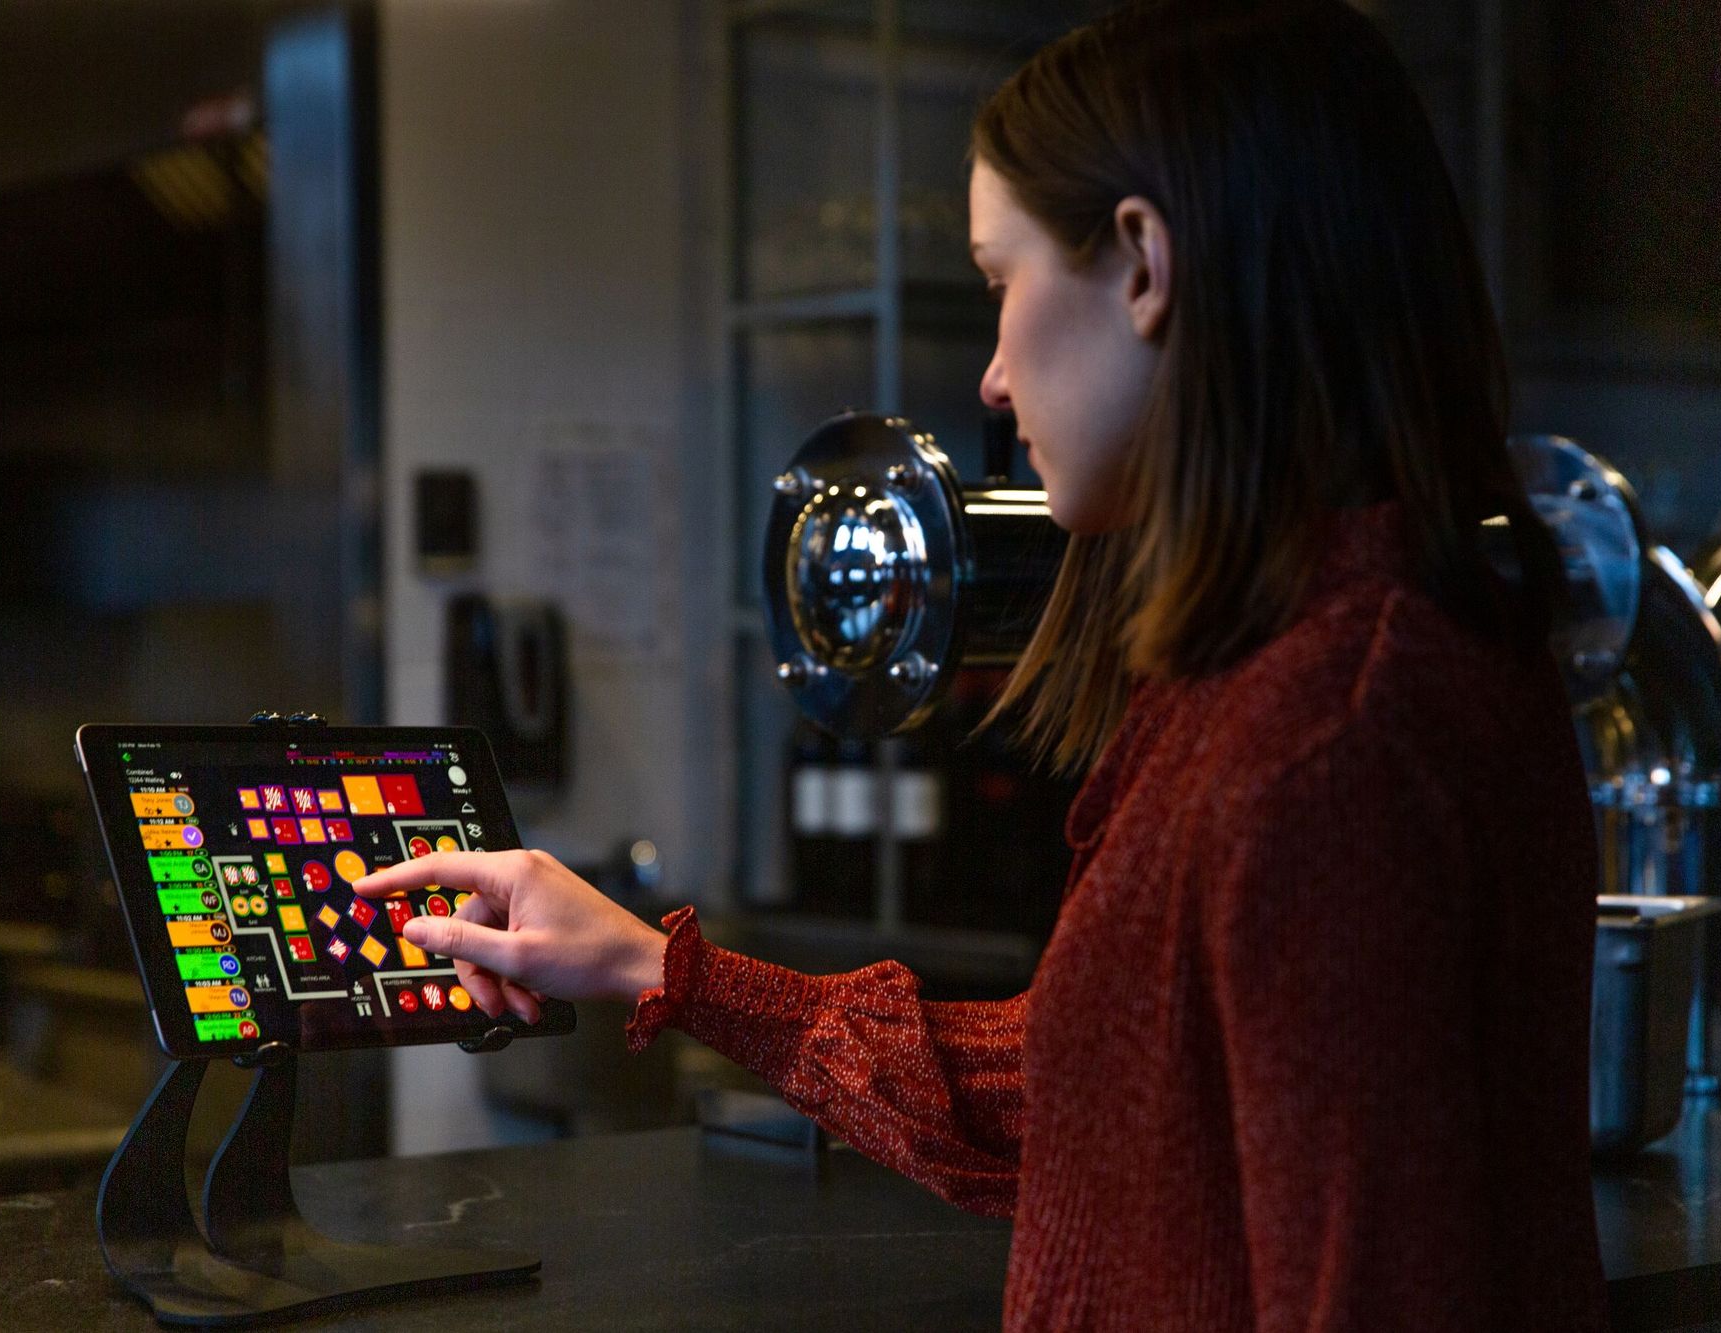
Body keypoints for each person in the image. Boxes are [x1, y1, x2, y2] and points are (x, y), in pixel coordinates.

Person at [355, 1, 1610, 1327]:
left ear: (1141, 263)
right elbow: (1086, 1102)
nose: (996, 378)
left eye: (1000, 280)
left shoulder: (1329, 747)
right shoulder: (1313, 676)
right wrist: (660, 968)